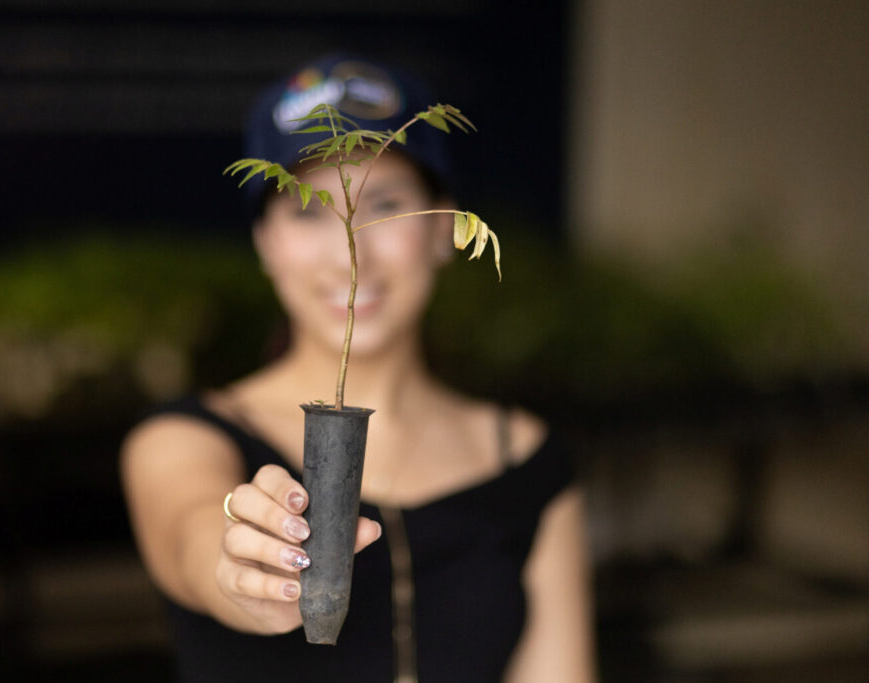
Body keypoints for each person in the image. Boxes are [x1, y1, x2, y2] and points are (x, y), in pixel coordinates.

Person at [121, 54, 596, 682]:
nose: (351, 255)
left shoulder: (525, 458)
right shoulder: (182, 439)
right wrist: (239, 568)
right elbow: (193, 533)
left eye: (388, 204)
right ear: (265, 244)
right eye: (305, 210)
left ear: (442, 228)